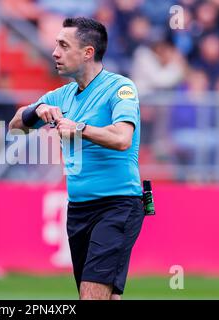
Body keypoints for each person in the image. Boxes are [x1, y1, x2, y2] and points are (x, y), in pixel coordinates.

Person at [9, 17, 145, 300]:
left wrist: (80, 129)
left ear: (88, 52)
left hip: (117, 205)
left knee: (91, 295)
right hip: (79, 210)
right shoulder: (62, 96)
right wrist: (38, 110)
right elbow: (14, 127)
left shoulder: (121, 88)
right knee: (104, 296)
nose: (55, 52)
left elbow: (122, 138)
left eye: (63, 45)